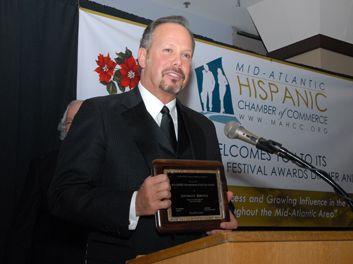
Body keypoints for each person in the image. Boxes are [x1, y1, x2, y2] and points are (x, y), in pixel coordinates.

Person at [48, 15, 237, 264]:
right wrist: (133, 204)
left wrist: (223, 217)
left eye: (186, 55)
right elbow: (64, 196)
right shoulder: (100, 113)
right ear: (142, 57)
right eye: (168, 50)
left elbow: (214, 201)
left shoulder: (204, 127)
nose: (178, 62)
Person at [5, 100, 85, 264]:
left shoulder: (111, 166)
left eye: (82, 119)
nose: (75, 125)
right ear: (64, 129)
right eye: (70, 122)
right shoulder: (44, 166)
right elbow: (24, 230)